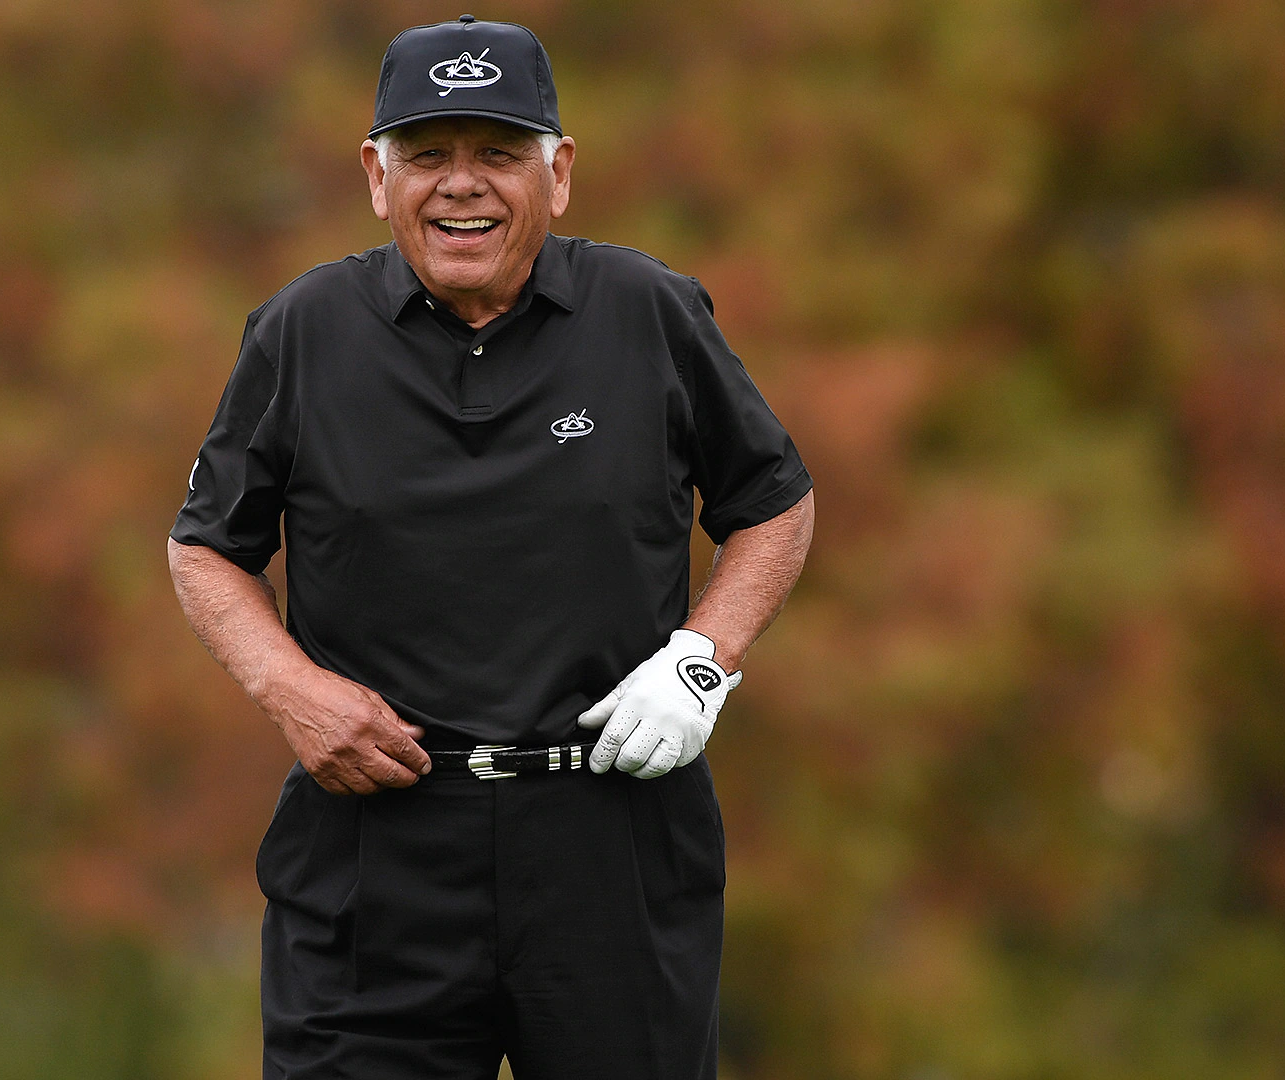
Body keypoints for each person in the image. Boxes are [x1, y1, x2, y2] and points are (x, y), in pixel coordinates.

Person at [166, 14, 814, 1080]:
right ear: (377, 178)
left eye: (497, 154)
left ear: (558, 175)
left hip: (613, 841)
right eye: (428, 156)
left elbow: (773, 503)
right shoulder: (302, 331)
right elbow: (207, 548)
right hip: (377, 853)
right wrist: (290, 690)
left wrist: (704, 658)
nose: (460, 185)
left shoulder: (649, 314)